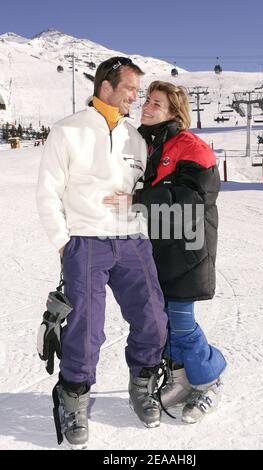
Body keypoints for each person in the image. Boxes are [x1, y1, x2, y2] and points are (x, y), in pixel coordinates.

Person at [36, 58, 168, 448]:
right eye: (130, 88)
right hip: (86, 241)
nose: (135, 96)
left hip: (132, 241)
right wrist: (64, 242)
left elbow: (141, 189)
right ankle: (73, 395)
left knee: (154, 319)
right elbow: (48, 191)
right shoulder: (69, 131)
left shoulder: (135, 138)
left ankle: (142, 381)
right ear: (106, 87)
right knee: (86, 328)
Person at [104, 81, 227, 424]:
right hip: (157, 244)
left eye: (157, 103)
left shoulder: (191, 146)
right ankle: (180, 377)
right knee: (163, 320)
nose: (148, 107)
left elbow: (191, 196)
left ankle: (210, 377)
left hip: (188, 244)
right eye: (148, 101)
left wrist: (137, 202)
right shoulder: (148, 145)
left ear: (175, 111)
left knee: (182, 322)